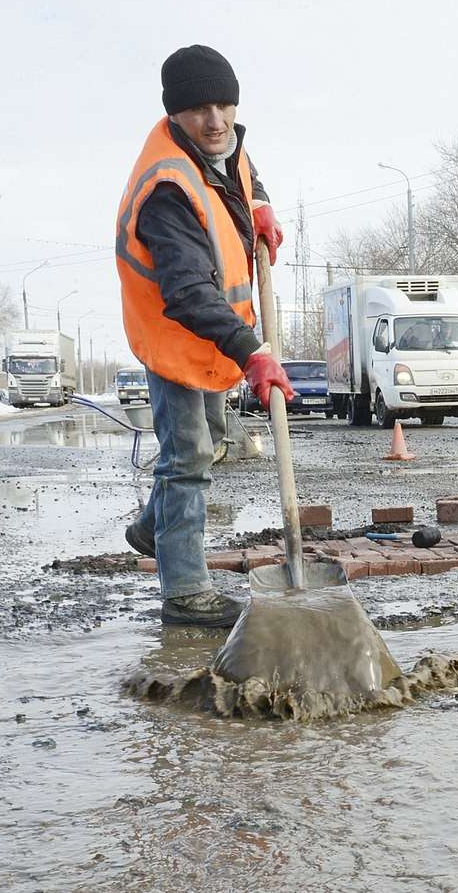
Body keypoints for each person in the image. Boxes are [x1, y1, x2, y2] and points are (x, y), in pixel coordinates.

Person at [116, 44, 295, 626]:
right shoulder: (167, 189)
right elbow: (189, 294)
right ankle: (185, 591)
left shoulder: (226, 144)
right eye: (199, 110)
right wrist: (254, 354)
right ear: (175, 114)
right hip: (176, 333)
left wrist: (261, 206)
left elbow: (245, 172)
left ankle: (152, 525)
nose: (215, 121)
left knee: (211, 440)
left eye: (224, 104)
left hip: (214, 336)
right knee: (188, 454)